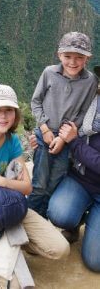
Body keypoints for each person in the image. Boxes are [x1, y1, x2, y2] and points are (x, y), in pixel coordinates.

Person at [0, 84, 69, 287]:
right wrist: (12, 187)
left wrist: (1, 181)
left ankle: (17, 244)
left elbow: (27, 187)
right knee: (18, 285)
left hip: (11, 206)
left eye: (8, 110)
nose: (3, 116)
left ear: (15, 113)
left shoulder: (12, 141)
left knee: (60, 248)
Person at [28, 32, 98, 217]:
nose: (72, 62)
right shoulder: (49, 73)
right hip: (45, 134)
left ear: (87, 59)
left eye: (79, 57)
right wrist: (43, 128)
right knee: (40, 182)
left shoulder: (90, 81)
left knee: (55, 181)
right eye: (67, 56)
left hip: (66, 137)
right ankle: (30, 219)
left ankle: (43, 221)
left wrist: (62, 137)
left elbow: (85, 111)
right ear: (59, 55)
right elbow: (36, 102)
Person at [47, 65, 100, 272]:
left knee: (95, 262)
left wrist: (75, 143)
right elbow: (60, 117)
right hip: (80, 179)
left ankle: (91, 220)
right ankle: (75, 223)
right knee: (60, 213)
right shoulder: (89, 101)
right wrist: (43, 134)